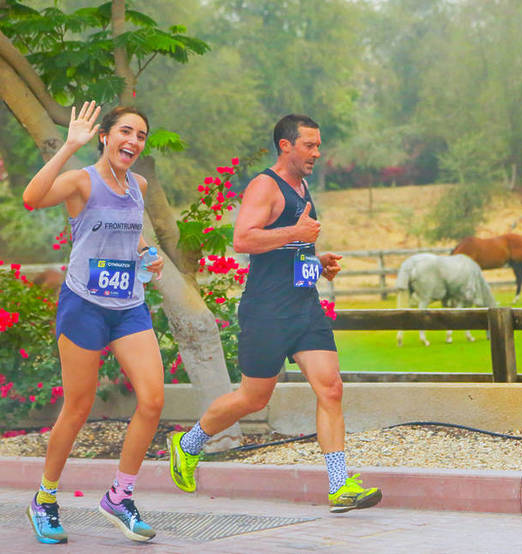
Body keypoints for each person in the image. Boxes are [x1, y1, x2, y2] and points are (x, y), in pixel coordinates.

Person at [166, 114, 382, 513]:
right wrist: (296, 235)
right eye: (309, 145)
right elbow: (243, 238)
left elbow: (288, 250)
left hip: (304, 307)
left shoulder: (303, 188)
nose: (317, 152)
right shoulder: (265, 185)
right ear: (286, 146)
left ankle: (339, 485)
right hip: (267, 311)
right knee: (253, 397)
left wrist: (317, 261)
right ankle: (189, 443)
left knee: (331, 388)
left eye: (318, 145)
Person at [21, 101, 164, 544]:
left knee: (153, 400)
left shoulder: (137, 185)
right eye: (125, 131)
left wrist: (146, 254)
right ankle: (44, 499)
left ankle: (120, 496)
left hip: (128, 307)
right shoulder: (82, 180)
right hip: (83, 305)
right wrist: (68, 146)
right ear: (105, 135)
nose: (133, 142)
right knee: (78, 408)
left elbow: (126, 230)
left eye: (140, 135)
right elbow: (31, 199)